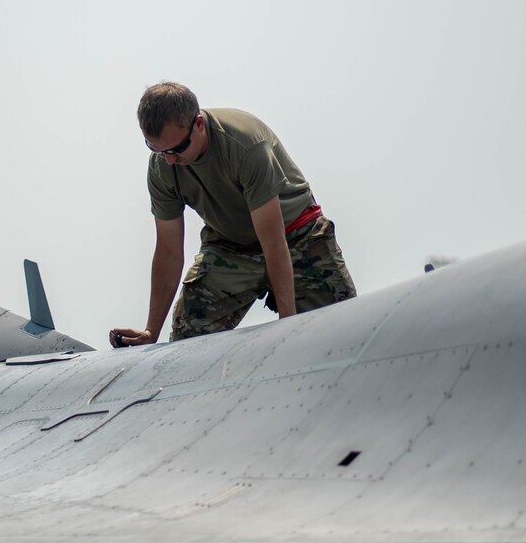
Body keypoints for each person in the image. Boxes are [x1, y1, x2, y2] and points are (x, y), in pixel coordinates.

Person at [110, 82, 356, 347]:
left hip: (296, 236)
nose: (169, 160)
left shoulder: (245, 145)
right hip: (230, 247)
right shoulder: (162, 166)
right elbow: (169, 251)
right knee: (186, 338)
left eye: (177, 150)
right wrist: (150, 332)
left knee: (346, 332)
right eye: (157, 150)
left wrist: (288, 324)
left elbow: (273, 243)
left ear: (199, 125)